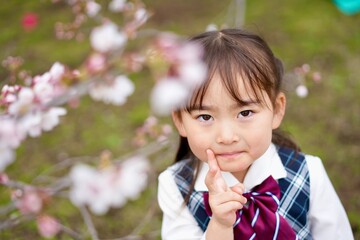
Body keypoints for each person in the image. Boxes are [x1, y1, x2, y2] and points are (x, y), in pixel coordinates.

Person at [157, 28, 354, 240]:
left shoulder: (309, 173)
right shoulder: (175, 185)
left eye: (245, 113)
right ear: (180, 120)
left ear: (277, 110)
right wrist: (220, 226)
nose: (226, 136)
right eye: (205, 117)